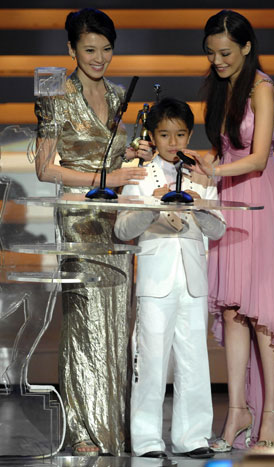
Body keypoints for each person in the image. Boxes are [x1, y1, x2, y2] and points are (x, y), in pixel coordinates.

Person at [184, 9, 274, 451]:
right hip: (231, 199)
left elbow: (259, 157)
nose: (217, 60)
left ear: (246, 46)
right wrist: (205, 162)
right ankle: (238, 409)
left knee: (262, 310)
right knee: (231, 308)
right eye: (210, 53)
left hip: (261, 198)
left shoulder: (263, 89)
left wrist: (217, 169)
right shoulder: (223, 89)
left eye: (225, 52)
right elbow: (225, 148)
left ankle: (273, 415)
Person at [34, 8, 153, 456]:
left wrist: (135, 153)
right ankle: (83, 430)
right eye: (89, 49)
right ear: (71, 50)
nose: (99, 57)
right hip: (79, 216)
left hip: (116, 218)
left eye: (106, 49)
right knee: (85, 322)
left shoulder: (121, 94)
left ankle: (113, 429)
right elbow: (46, 168)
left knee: (116, 322)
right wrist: (106, 179)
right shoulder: (54, 94)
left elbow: (116, 155)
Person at [114, 97, 226, 459]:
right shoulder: (140, 174)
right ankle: (146, 441)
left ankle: (192, 437)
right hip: (155, 281)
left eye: (180, 134)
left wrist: (199, 204)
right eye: (165, 134)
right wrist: (153, 205)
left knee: (194, 359)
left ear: (189, 134)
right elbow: (122, 228)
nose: (173, 142)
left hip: (193, 281)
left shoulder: (201, 172)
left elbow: (219, 228)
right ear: (153, 135)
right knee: (149, 361)